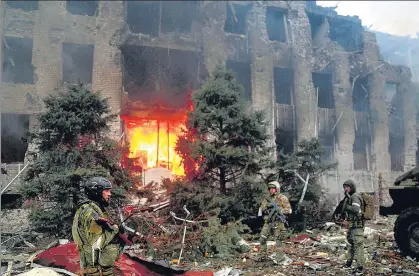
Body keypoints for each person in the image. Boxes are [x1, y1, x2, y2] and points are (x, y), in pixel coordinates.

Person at [72, 177, 122, 276]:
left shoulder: (93, 209)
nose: (109, 194)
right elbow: (96, 243)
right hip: (95, 272)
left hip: (99, 270)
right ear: (97, 192)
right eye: (106, 190)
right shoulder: (90, 212)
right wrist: (115, 230)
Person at [258, 180, 292, 263]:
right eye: (270, 189)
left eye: (273, 188)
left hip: (278, 222)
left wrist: (280, 210)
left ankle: (279, 258)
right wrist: (266, 208)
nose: (271, 190)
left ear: (277, 189)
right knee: (262, 239)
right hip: (268, 222)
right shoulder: (267, 199)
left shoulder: (282, 198)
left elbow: (289, 210)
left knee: (278, 241)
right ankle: (262, 256)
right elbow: (261, 208)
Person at [341, 179, 365, 275]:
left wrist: (347, 207)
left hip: (357, 226)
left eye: (347, 187)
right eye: (344, 187)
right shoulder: (350, 196)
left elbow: (355, 209)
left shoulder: (355, 196)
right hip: (352, 225)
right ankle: (349, 263)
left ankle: (360, 267)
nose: (346, 189)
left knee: (358, 245)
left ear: (352, 187)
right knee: (350, 245)